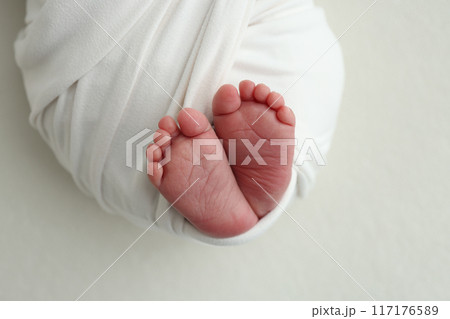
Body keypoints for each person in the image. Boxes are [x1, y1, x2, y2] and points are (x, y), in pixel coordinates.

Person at [15, 0, 344, 244]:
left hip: (89, 113)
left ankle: (237, 210)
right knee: (304, 62)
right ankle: (250, 207)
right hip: (268, 39)